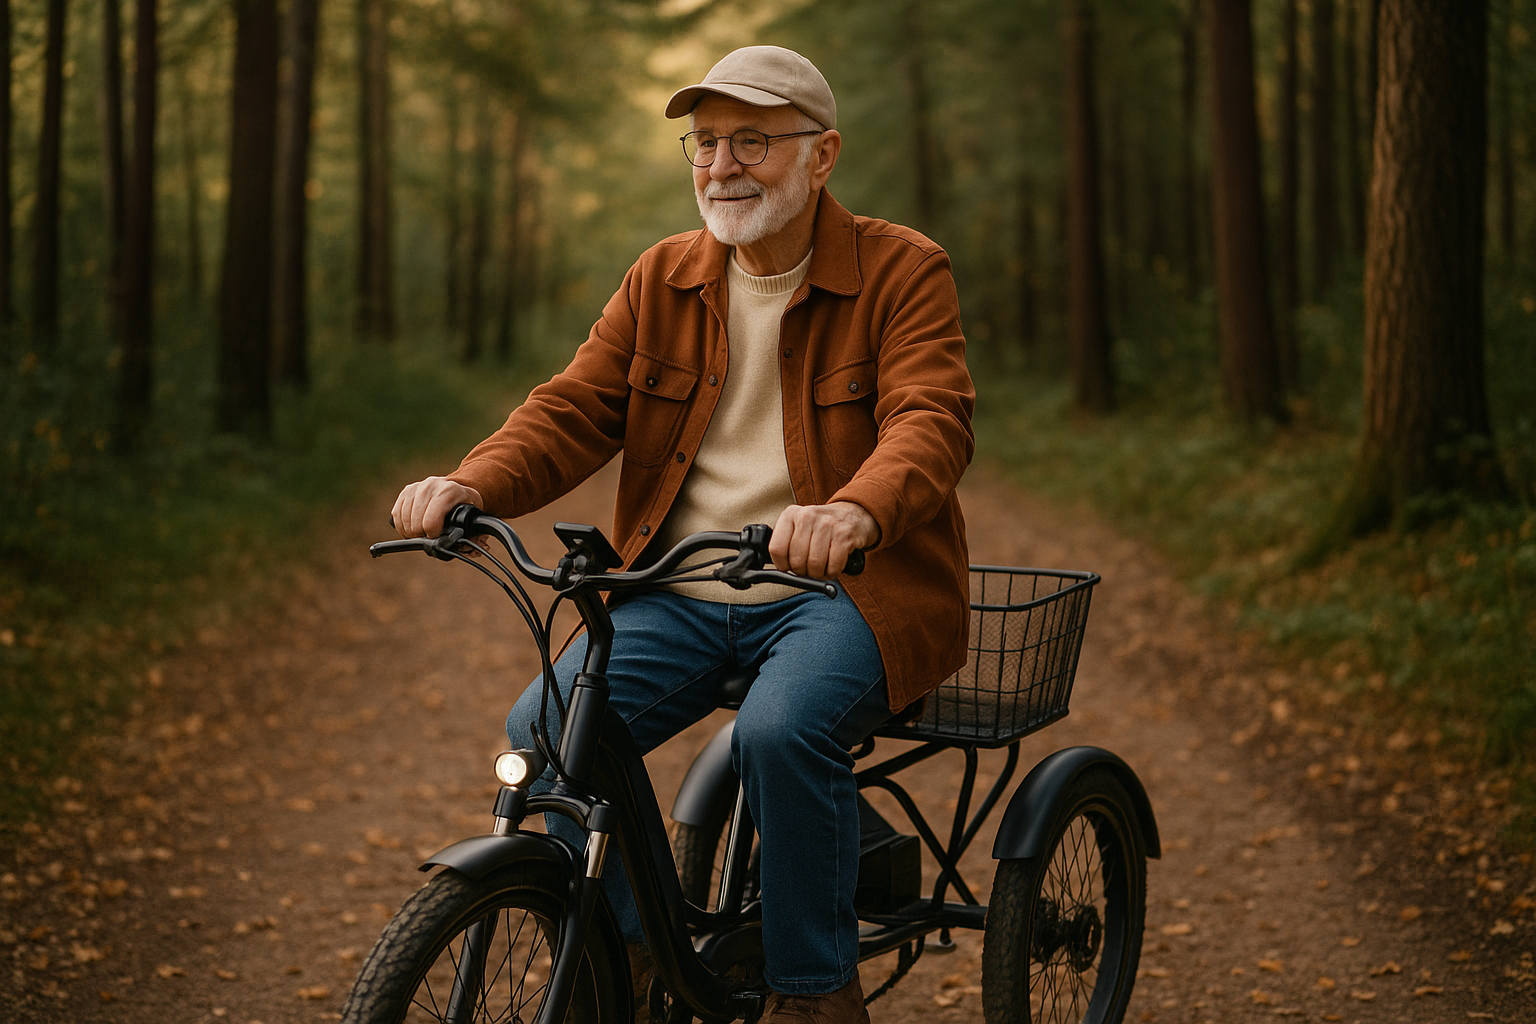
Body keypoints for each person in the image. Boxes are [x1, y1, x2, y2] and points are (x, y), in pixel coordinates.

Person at [391, 44, 974, 1024]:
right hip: (679, 589)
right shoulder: (664, 277)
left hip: (843, 594)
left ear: (821, 156)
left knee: (782, 733)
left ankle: (815, 991)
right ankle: (635, 951)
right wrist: (470, 481)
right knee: (542, 732)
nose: (721, 164)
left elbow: (931, 416)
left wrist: (855, 509)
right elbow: (573, 409)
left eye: (752, 140)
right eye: (704, 143)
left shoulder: (901, 269)